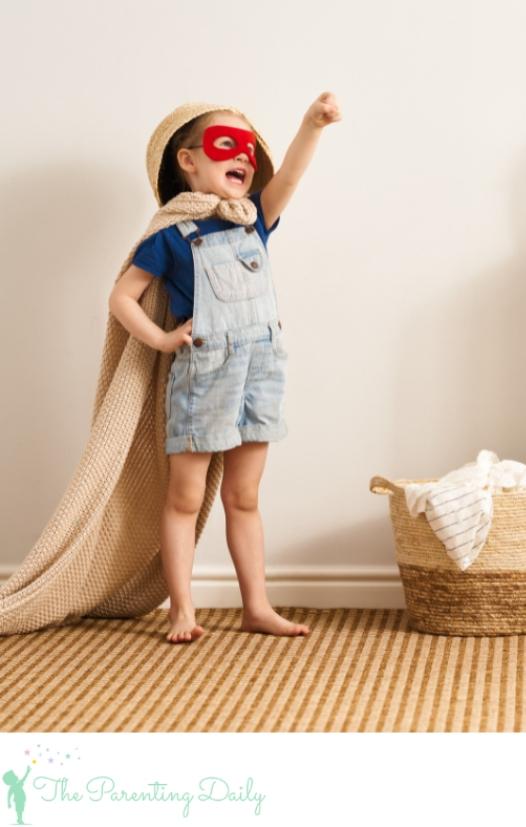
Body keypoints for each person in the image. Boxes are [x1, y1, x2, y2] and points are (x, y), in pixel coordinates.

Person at [108, 94, 341, 643]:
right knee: (185, 498)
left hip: (261, 371)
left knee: (245, 496)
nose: (242, 156)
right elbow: (121, 297)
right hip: (205, 375)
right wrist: (163, 339)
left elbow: (290, 175)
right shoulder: (171, 235)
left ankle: (256, 606)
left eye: (248, 149)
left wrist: (311, 124)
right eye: (226, 144)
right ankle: (182, 610)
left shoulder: (255, 218)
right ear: (188, 160)